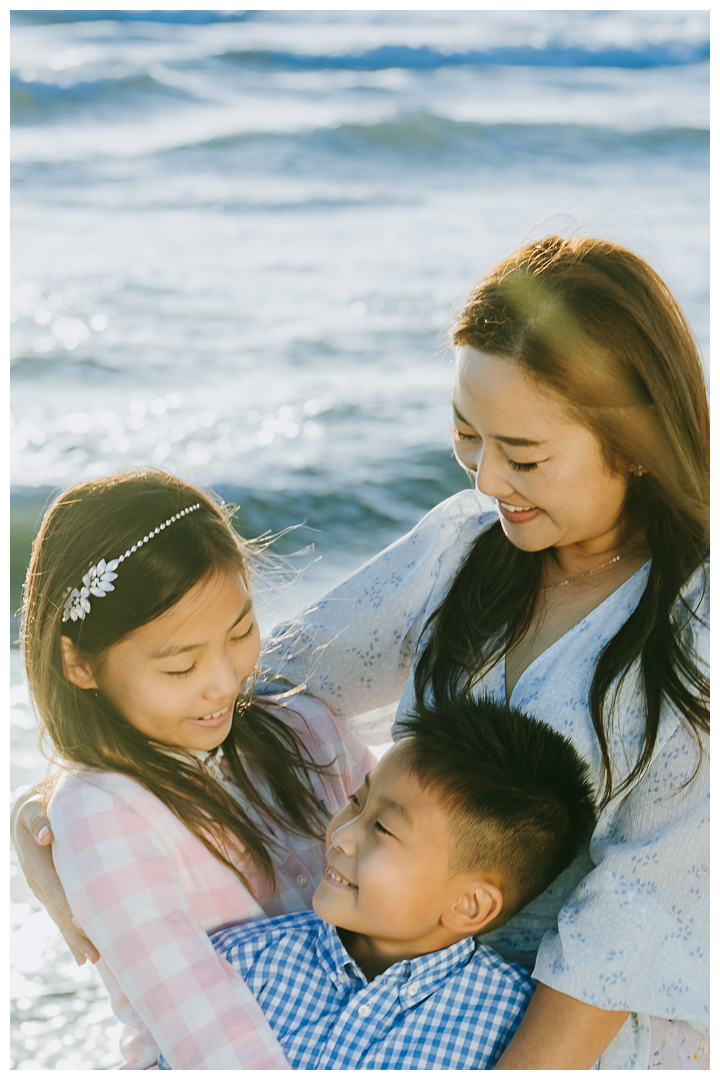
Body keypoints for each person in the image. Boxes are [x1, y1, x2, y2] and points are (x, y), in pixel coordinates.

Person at [13, 235, 709, 1069]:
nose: (486, 480)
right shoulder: (462, 552)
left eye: (523, 456)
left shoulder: (695, 629)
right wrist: (68, 794)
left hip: (575, 1044)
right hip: (391, 1013)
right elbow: (232, 688)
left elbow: (633, 923)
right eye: (466, 436)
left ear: (634, 441)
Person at [17, 468, 377, 1070]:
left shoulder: (304, 726)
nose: (223, 682)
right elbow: (211, 1040)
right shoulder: (100, 812)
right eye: (180, 668)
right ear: (79, 664)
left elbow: (420, 863)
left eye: (241, 633)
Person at [157, 694, 596, 1070]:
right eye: (355, 802)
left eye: (383, 829)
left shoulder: (515, 1026)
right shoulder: (240, 964)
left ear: (470, 906)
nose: (342, 836)